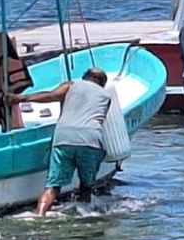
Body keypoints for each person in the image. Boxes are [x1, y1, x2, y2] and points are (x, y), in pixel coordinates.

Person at [10, 67, 111, 215]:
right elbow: (100, 121)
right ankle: (85, 216)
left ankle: (40, 216)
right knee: (86, 186)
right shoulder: (106, 96)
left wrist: (21, 98)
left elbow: (50, 96)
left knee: (53, 186)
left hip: (64, 138)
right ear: (103, 83)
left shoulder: (71, 85)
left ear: (84, 77)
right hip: (91, 140)